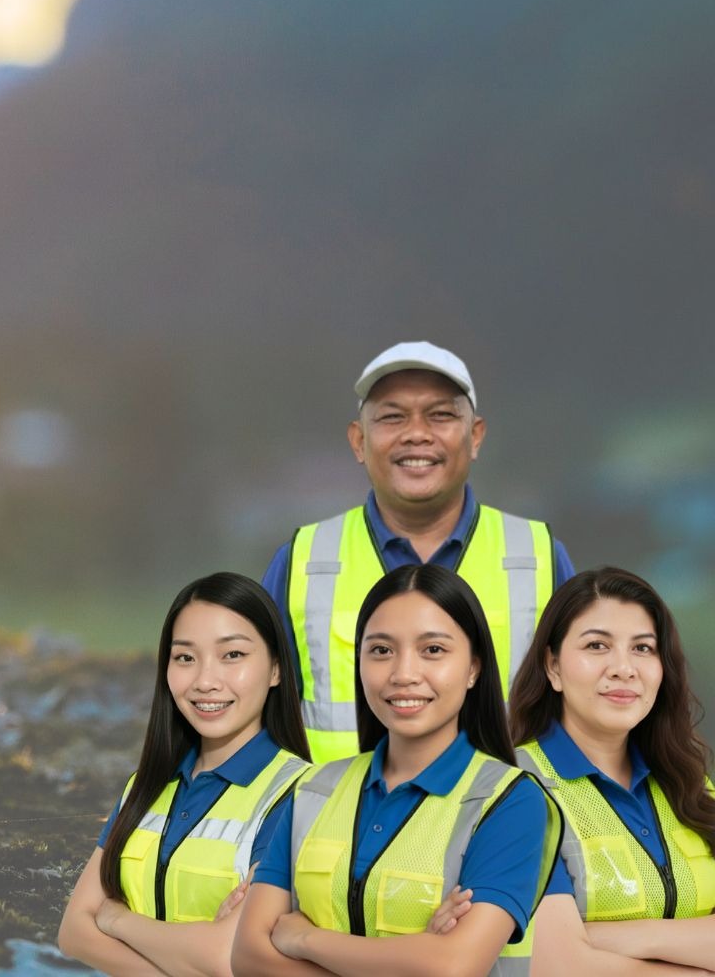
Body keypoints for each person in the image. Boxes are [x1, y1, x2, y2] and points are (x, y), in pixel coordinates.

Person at [232, 564, 559, 976]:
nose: (404, 674)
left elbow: (453, 967)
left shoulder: (510, 801)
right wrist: (417, 954)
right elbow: (248, 958)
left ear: (474, 667)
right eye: (382, 650)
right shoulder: (312, 790)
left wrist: (304, 939)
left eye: (433, 650)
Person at [263, 341, 576, 762]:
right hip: (343, 823)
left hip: (503, 822)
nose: (416, 434)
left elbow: (583, 716)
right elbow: (257, 720)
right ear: (358, 441)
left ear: (475, 436)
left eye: (441, 415)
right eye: (392, 417)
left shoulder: (541, 557)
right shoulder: (302, 562)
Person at [456, 568, 715, 972]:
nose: (623, 668)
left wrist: (617, 936)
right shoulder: (512, 788)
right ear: (553, 667)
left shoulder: (691, 785)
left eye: (643, 649)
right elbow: (559, 966)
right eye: (597, 646)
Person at [59, 572, 311, 976]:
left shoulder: (301, 796)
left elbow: (226, 959)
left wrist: (116, 921)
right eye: (185, 658)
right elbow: (73, 933)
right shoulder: (144, 785)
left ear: (276, 669)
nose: (205, 682)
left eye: (233, 655)